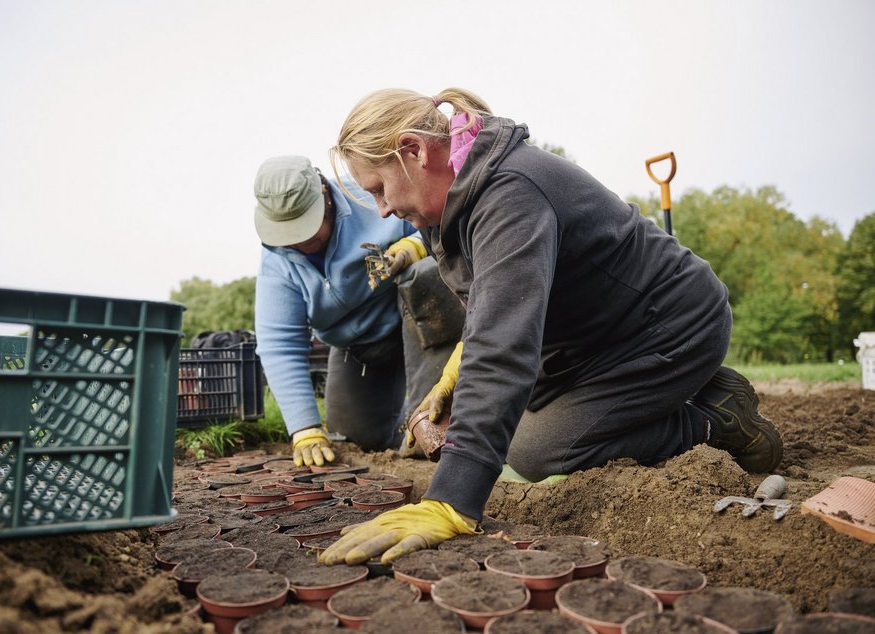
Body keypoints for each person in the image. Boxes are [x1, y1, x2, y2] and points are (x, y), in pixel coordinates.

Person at [319, 88, 783, 566]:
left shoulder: (510, 194)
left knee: (538, 452)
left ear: (415, 150)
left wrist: (450, 501)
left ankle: (713, 420)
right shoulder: (451, 206)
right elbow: (491, 308)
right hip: (595, 338)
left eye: (378, 188)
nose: (382, 210)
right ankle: (686, 395)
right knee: (502, 424)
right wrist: (454, 374)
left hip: (670, 327)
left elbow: (504, 349)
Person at [252, 155, 462, 467]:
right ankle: (402, 450)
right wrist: (305, 428)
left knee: (427, 273)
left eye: (308, 228)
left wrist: (418, 244)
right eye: (292, 236)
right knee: (356, 437)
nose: (302, 242)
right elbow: (280, 344)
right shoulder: (277, 262)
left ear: (325, 194)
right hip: (359, 346)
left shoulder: (370, 197)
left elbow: (445, 220)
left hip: (416, 322)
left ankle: (446, 438)